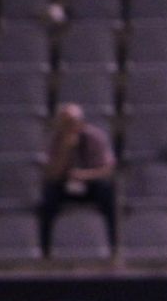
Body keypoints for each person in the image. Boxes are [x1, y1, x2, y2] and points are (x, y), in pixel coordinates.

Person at [38, 103, 116, 252]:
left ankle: (114, 246)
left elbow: (107, 169)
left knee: (107, 193)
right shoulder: (54, 141)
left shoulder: (95, 137)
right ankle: (45, 249)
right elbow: (52, 174)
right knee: (48, 196)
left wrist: (84, 175)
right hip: (64, 185)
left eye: (71, 122)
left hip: (90, 184)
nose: (69, 127)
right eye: (64, 123)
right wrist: (65, 150)